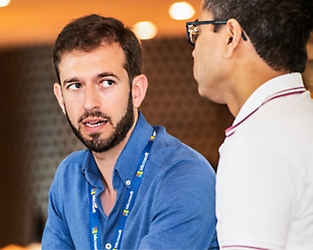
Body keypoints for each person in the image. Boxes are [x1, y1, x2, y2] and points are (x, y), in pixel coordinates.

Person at [41, 14, 219, 250]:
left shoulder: (184, 174)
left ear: (137, 90)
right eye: (75, 86)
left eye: (106, 82)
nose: (89, 103)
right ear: (60, 98)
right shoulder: (69, 178)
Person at [187, 0, 313, 249]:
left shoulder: (256, 143)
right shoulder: (299, 117)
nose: (193, 49)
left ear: (230, 36)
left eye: (198, 31)